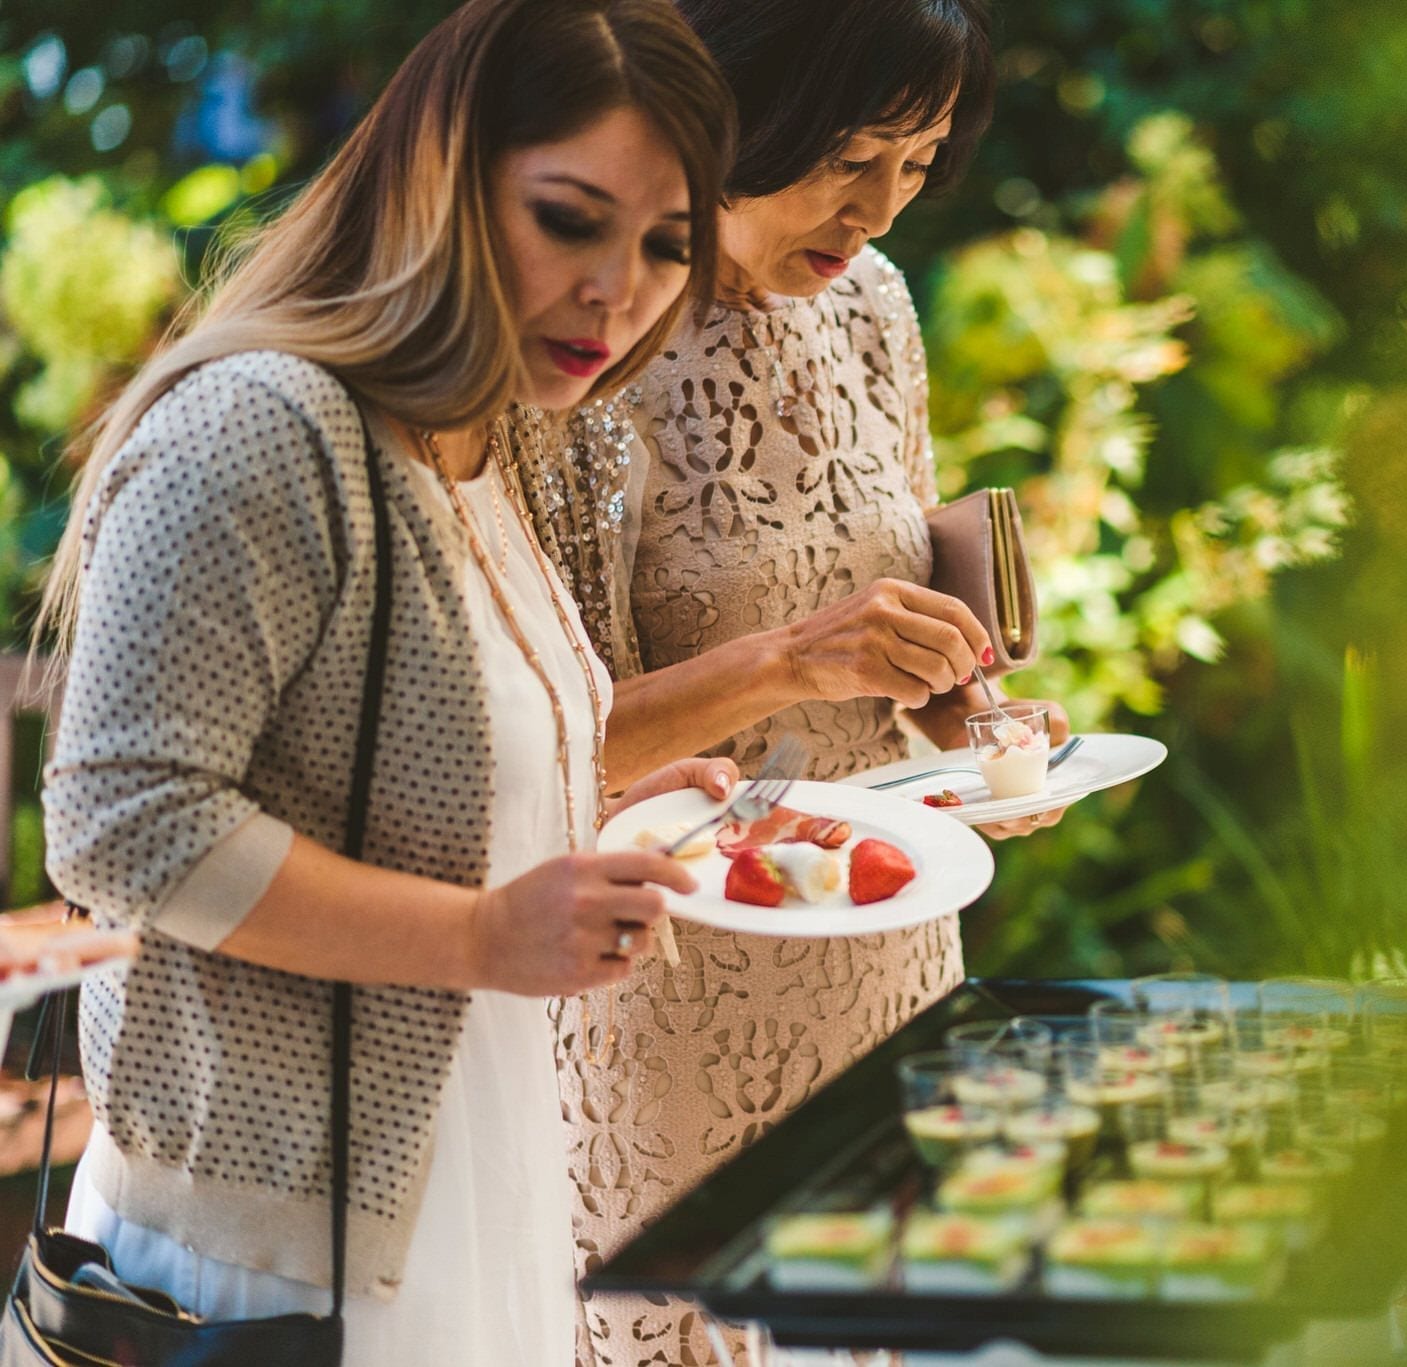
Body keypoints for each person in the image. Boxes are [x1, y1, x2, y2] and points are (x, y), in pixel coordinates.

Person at [36, 3, 736, 1363]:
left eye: (665, 245)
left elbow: (410, 774)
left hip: (468, 1163)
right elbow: (121, 830)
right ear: (444, 179)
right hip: (281, 1236)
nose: (621, 291)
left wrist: (603, 801)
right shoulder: (260, 430)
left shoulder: (496, 433)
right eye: (571, 219)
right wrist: (483, 939)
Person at [502, 1, 1066, 1360]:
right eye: (850, 154)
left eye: (919, 163)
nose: (877, 209)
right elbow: (539, 750)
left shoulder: (870, 307)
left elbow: (901, 618)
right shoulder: (590, 336)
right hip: (667, 998)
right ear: (749, 111)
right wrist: (786, 661)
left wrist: (973, 720)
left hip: (889, 956)